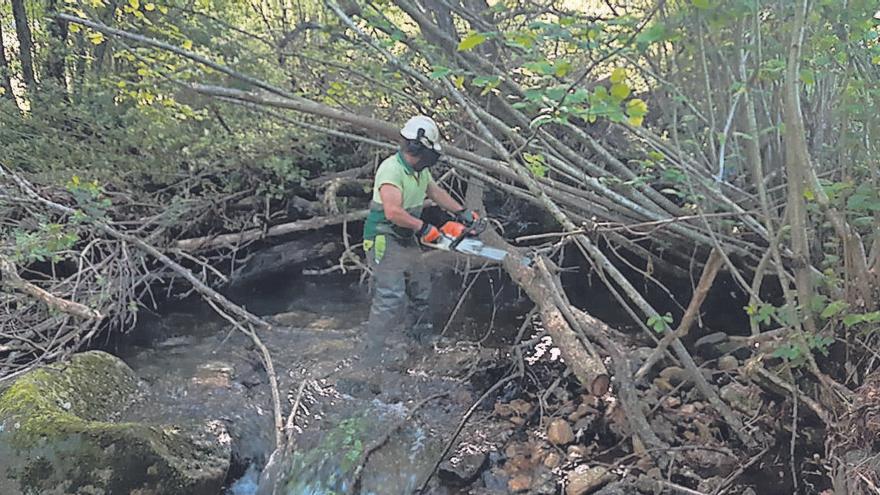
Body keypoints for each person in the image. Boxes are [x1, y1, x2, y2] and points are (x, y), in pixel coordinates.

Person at [361, 115, 479, 364]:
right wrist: (424, 228)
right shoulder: (391, 169)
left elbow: (435, 192)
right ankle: (371, 356)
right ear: (419, 148)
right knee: (391, 296)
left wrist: (462, 213)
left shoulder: (419, 171)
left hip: (405, 235)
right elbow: (393, 212)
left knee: (421, 289)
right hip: (384, 236)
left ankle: (418, 343)